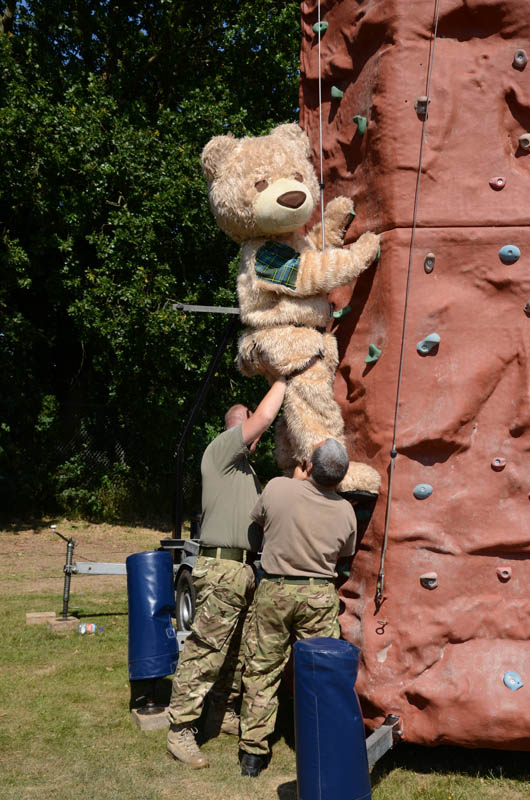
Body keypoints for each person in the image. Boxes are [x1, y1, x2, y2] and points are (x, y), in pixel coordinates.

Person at [166, 377, 286, 769]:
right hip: (220, 568)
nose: (258, 435)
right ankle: (180, 729)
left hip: (244, 569)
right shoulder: (220, 451)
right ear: (239, 427)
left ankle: (223, 712)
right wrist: (285, 377)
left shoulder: (246, 472)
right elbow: (265, 415)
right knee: (206, 650)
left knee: (238, 652)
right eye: (250, 427)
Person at [238, 438, 357, 777]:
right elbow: (344, 552)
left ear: (308, 466)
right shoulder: (346, 510)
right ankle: (319, 745)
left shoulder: (277, 489)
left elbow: (258, 521)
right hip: (319, 594)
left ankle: (253, 754)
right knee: (321, 675)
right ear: (340, 478)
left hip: (275, 588)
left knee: (262, 669)